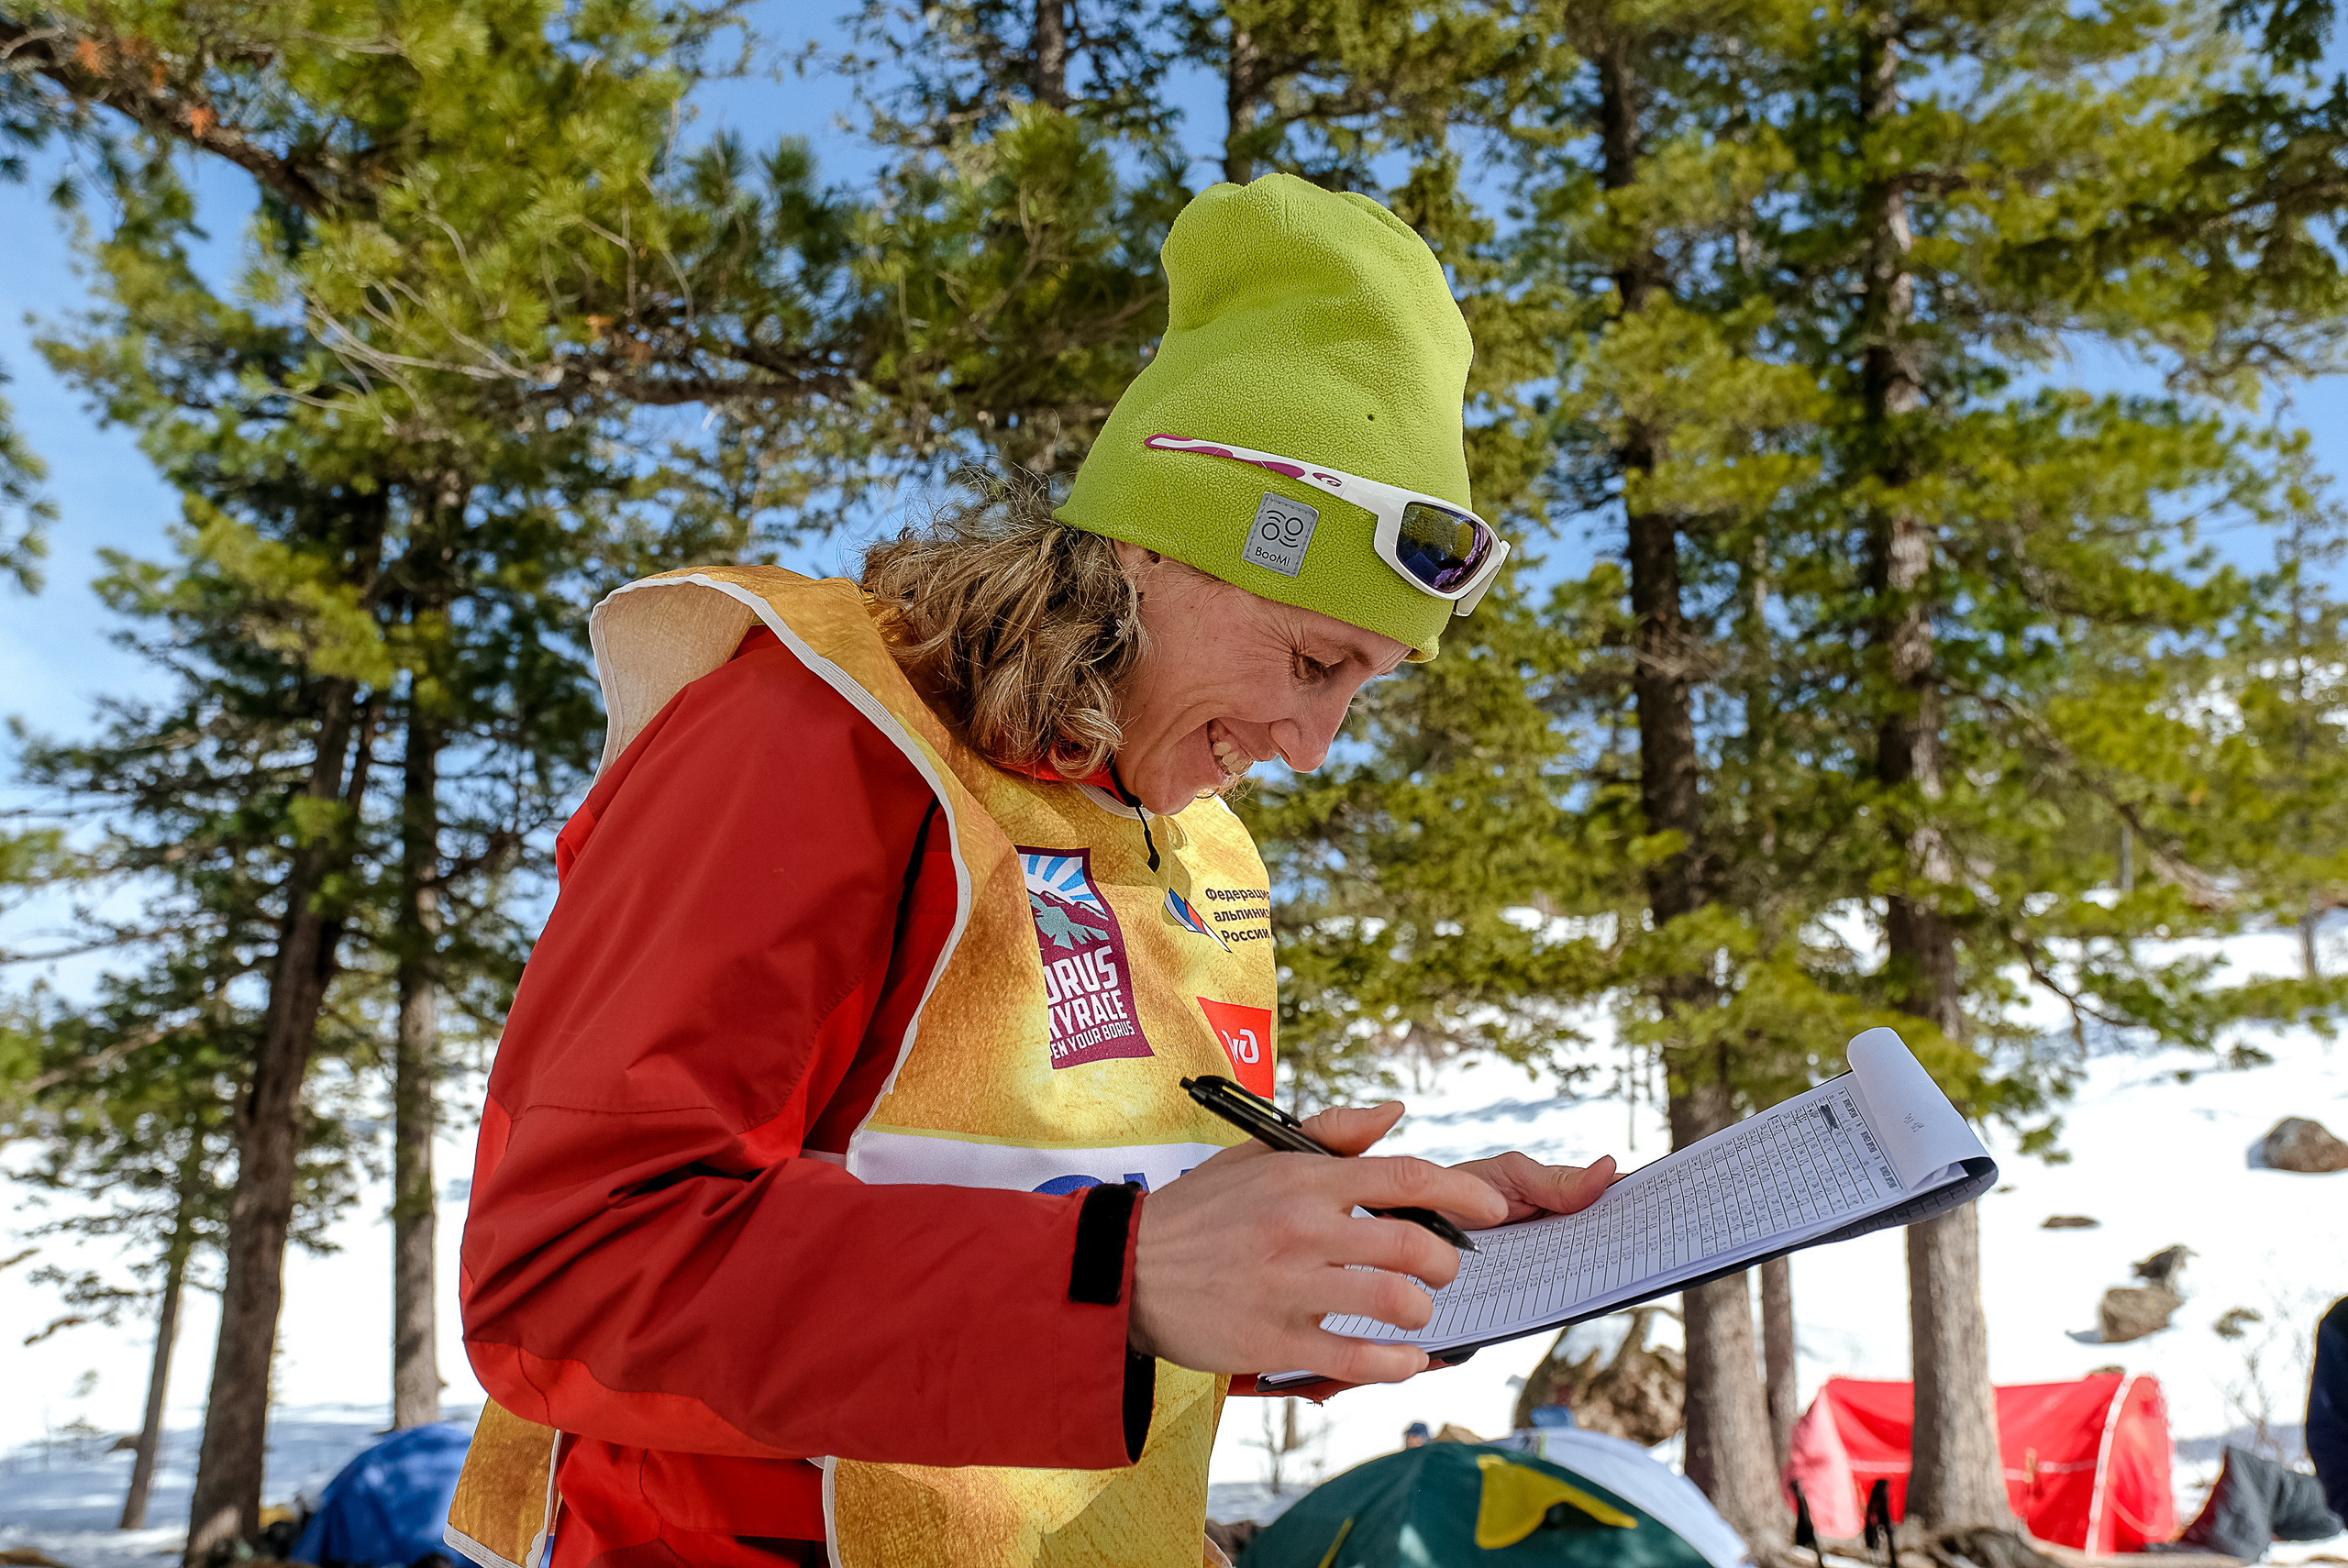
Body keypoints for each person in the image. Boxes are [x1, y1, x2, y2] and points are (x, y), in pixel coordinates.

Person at [444, 173, 1618, 1568]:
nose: (1314, 745)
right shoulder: (813, 738)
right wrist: (1121, 1282)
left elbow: (1070, 1300)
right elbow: (563, 1270)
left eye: (1362, 683)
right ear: (1156, 543)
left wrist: (1342, 1274)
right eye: (1313, 660)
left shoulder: (1202, 858)